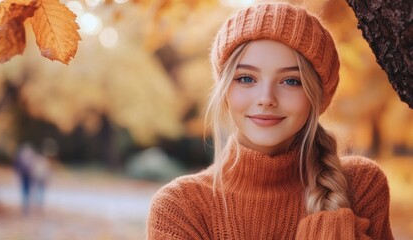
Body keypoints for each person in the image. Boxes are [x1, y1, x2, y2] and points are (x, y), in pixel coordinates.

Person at [147, 2, 393, 239]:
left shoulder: (361, 186)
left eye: (290, 81)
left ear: (316, 98)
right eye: (246, 78)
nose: (266, 99)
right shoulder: (179, 207)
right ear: (225, 92)